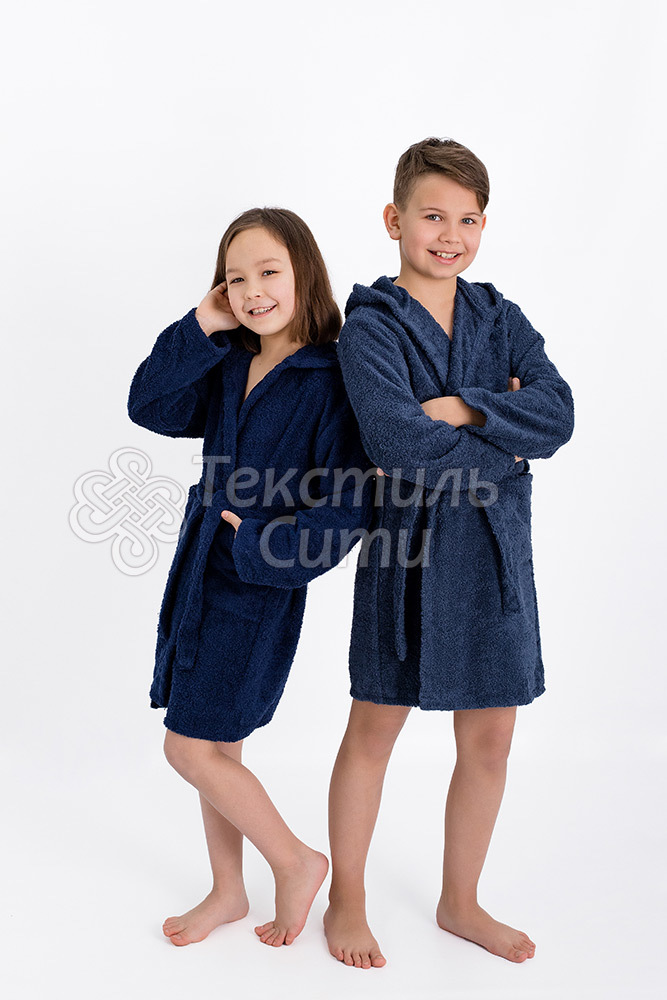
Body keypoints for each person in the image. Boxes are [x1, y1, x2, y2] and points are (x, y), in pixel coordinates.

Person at [324, 138, 575, 969]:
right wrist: (504, 442)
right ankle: (347, 896)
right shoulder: (370, 327)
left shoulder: (500, 317)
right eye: (433, 216)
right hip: (404, 552)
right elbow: (395, 441)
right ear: (394, 219)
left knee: (490, 738)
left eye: (468, 220)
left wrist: (463, 408)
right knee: (373, 727)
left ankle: (459, 900)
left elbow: (557, 414)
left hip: (494, 553)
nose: (450, 235)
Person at [127, 207, 374, 949]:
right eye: (235, 280)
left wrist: (266, 545)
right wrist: (201, 325)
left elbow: (348, 504)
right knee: (219, 747)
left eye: (268, 272)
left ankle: (295, 861)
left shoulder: (332, 379)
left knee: (188, 747)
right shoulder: (231, 360)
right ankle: (228, 891)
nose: (252, 291)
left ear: (304, 273)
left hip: (256, 583)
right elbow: (150, 405)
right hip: (201, 568)